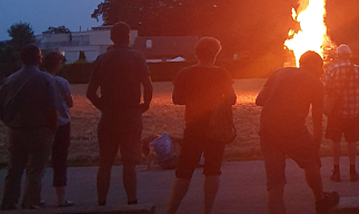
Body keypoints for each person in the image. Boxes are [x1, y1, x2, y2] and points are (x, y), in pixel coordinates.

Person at [256, 50, 339, 214]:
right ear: (312, 64)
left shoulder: (280, 72)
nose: (321, 71)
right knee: (311, 163)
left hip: (267, 129)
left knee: (275, 183)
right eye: (320, 66)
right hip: (293, 130)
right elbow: (317, 121)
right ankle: (320, 200)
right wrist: (315, 149)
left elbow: (260, 100)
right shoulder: (315, 83)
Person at [165, 37, 236, 214]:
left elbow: (177, 99)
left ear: (197, 52)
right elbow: (231, 98)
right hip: (216, 127)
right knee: (213, 170)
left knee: (185, 170)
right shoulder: (222, 73)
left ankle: (171, 210)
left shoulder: (185, 73)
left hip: (193, 125)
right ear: (216, 53)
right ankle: (208, 210)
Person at [87, 22, 153, 206]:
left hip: (108, 116)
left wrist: (104, 107)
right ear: (129, 36)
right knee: (129, 162)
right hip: (130, 114)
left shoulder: (102, 59)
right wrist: (144, 105)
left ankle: (101, 201)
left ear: (111, 38)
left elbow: (91, 92)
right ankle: (132, 200)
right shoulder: (137, 57)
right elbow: (147, 85)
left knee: (105, 162)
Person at [0, 44, 60, 209]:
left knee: (14, 168)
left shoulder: (10, 80)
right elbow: (52, 107)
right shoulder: (46, 79)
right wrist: (52, 129)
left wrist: (8, 121)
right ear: (39, 58)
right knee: (35, 169)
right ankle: (30, 201)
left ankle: (8, 201)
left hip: (16, 129)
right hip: (40, 129)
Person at [323, 44, 359, 182]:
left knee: (335, 141)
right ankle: (353, 171)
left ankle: (336, 171)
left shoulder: (332, 69)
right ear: (349, 54)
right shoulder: (358, 69)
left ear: (339, 55)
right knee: (352, 142)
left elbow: (325, 88)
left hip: (336, 112)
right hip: (353, 112)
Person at [41, 51, 74, 207]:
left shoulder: (39, 80)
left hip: (43, 125)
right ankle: (60, 198)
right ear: (57, 64)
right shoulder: (61, 81)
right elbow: (70, 103)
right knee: (60, 160)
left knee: (39, 161)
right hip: (62, 125)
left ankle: (34, 195)